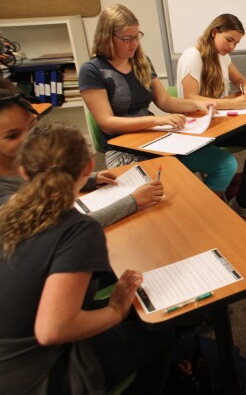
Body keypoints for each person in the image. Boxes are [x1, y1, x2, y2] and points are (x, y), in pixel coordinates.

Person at [0, 123, 173, 394]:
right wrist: (115, 309)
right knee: (161, 330)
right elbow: (52, 331)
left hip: (11, 352)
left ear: (23, 172)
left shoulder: (9, 209)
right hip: (38, 375)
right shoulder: (78, 230)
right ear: (88, 165)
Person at [79, 4, 238, 206]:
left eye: (137, 36)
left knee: (225, 164)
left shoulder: (141, 61)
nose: (134, 43)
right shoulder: (92, 70)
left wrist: (198, 104)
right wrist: (157, 120)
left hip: (155, 139)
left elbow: (165, 101)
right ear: (107, 37)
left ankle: (202, 211)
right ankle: (187, 213)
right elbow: (107, 123)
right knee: (159, 192)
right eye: (127, 38)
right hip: (123, 147)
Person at [0, 79, 163, 226]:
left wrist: (91, 178)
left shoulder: (24, 166)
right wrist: (133, 201)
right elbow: (70, 227)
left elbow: (46, 181)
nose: (28, 139)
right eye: (12, 136)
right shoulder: (6, 199)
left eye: (32, 127)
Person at [176, 14, 246, 227]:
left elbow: (240, 79)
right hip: (202, 126)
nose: (232, 47)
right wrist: (230, 104)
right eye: (229, 40)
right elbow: (190, 99)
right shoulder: (193, 55)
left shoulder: (222, 56)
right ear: (214, 32)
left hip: (221, 119)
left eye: (236, 43)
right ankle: (243, 202)